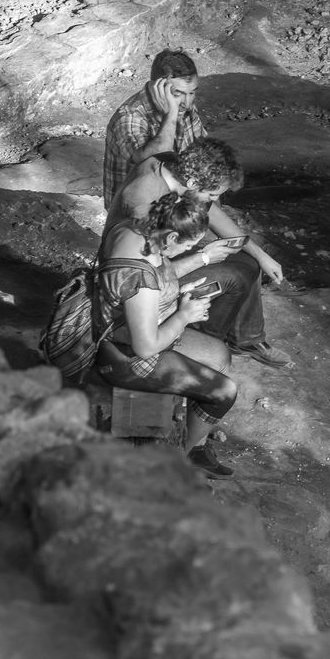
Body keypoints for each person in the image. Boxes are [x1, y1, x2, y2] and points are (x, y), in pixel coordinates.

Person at [103, 139, 293, 369]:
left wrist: (260, 254)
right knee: (233, 276)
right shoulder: (143, 201)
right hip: (140, 281)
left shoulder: (174, 167)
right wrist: (203, 257)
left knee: (248, 260)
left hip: (161, 258)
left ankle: (245, 339)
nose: (213, 201)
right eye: (212, 195)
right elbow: (146, 274)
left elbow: (210, 211)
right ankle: (198, 343)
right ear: (193, 182)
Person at [93, 190, 238, 479]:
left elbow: (155, 281)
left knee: (220, 356)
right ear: (172, 237)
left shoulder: (136, 229)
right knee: (225, 392)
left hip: (127, 327)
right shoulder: (140, 277)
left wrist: (175, 292)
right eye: (188, 244)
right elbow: (146, 347)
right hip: (125, 355)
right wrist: (184, 316)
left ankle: (191, 448)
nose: (188, 250)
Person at [103, 49, 206, 209]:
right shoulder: (129, 118)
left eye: (191, 93)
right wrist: (170, 113)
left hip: (173, 201)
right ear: (157, 87)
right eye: (177, 93)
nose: (186, 102)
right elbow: (160, 158)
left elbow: (202, 156)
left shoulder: (185, 108)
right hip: (134, 213)